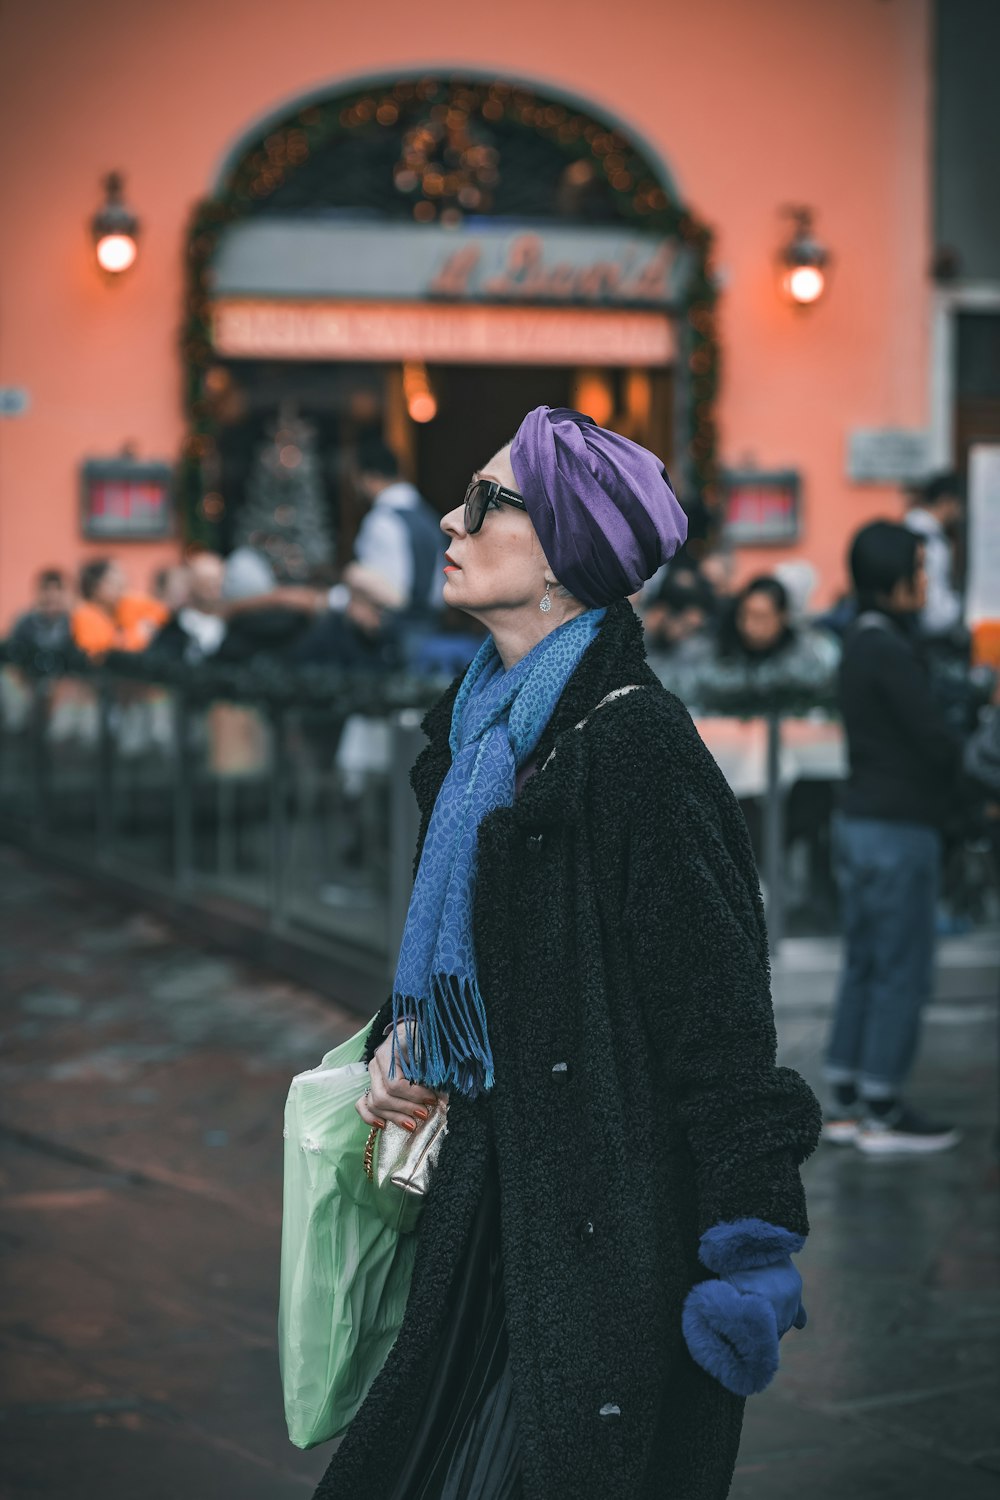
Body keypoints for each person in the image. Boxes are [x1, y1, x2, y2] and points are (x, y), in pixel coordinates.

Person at [314, 408, 820, 1500]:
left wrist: (751, 1248)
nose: (454, 517)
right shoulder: (476, 738)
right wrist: (406, 1043)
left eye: (490, 502)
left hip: (599, 1245)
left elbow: (723, 1026)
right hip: (482, 1215)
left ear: (565, 555)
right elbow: (469, 963)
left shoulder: (637, 751)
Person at [823, 521, 963, 1154]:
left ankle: (849, 1096)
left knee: (865, 963)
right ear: (893, 575)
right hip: (897, 827)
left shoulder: (859, 638)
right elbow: (933, 738)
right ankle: (882, 1106)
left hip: (860, 823)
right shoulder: (886, 645)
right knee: (900, 968)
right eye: (919, 567)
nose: (926, 581)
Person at [905, 472, 964, 642]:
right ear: (946, 501)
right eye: (958, 504)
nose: (960, 513)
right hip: (926, 633)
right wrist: (957, 608)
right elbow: (933, 610)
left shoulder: (913, 528)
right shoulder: (930, 541)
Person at [71, 559, 168, 656]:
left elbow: (161, 610)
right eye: (113, 582)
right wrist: (138, 635)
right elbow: (105, 653)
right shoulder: (84, 615)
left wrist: (148, 621)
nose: (121, 586)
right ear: (95, 588)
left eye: (121, 581)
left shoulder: (124, 603)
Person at [10, 568, 72, 659]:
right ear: (38, 592)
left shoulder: (72, 623)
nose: (52, 595)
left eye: (57, 589)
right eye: (46, 589)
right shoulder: (25, 622)